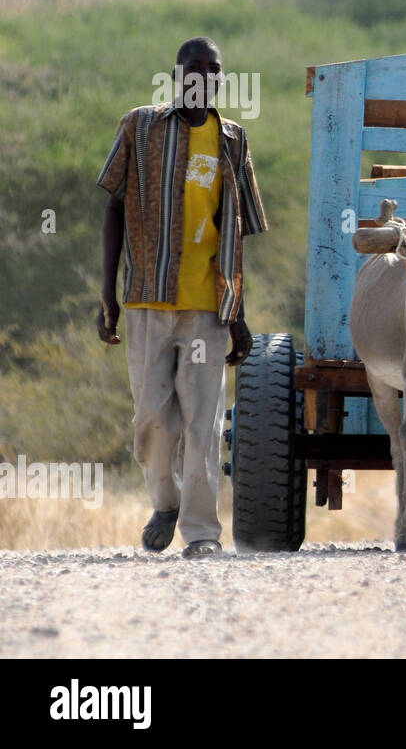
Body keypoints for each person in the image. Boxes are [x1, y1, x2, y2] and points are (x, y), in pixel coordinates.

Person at [96, 37, 269, 558]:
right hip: (147, 301)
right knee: (152, 422)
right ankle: (165, 502)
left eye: (212, 69)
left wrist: (237, 313)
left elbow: (235, 231)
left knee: (203, 422)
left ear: (221, 78)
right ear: (177, 75)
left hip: (206, 312)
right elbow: (114, 209)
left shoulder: (233, 141)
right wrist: (107, 294)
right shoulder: (140, 126)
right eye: (194, 67)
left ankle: (201, 534)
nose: (203, 75)